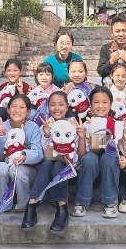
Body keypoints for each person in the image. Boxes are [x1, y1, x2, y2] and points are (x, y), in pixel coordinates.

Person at [21, 92, 83, 233]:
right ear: (48, 107)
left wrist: (71, 157)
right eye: (52, 105)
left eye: (61, 104)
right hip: (47, 167)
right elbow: (43, 154)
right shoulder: (45, 125)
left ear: (67, 106)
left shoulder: (73, 124)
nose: (57, 108)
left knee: (59, 165)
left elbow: (79, 154)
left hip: (68, 168)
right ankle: (32, 204)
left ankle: (62, 207)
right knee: (48, 163)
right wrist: (47, 135)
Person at [71, 86, 123, 219]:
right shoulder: (86, 125)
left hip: (110, 165)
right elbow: (81, 156)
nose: (100, 106)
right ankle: (82, 200)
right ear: (90, 105)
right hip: (91, 164)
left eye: (104, 102)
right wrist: (82, 137)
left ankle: (111, 201)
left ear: (110, 104)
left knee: (109, 158)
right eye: (96, 102)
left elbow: (121, 151)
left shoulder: (117, 125)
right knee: (89, 159)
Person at [0, 94, 44, 212]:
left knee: (15, 170)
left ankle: (23, 202)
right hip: (8, 164)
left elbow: (38, 153)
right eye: (14, 106)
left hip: (27, 170)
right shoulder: (2, 126)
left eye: (22, 107)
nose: (17, 110)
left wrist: (25, 156)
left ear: (28, 112)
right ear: (8, 109)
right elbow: (1, 156)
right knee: (0, 167)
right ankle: (5, 202)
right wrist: (1, 137)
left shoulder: (33, 127)